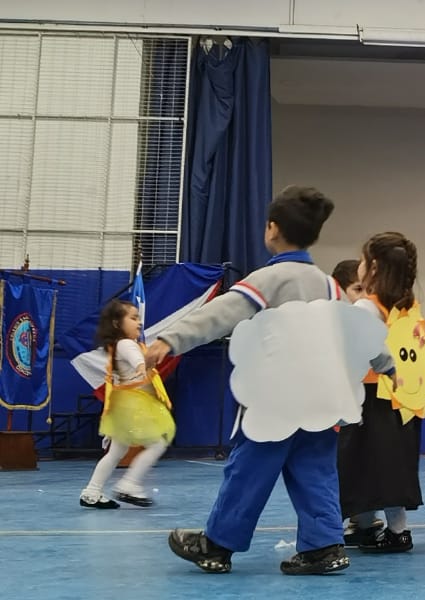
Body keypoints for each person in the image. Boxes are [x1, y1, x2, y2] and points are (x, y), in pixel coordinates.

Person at [155, 186, 373, 575]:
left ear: (272, 229)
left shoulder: (269, 280)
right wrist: (386, 362)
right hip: (323, 399)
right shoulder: (329, 285)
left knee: (248, 470)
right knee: (316, 469)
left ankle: (217, 544)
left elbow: (219, 314)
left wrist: (167, 340)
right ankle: (324, 547)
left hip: (275, 400)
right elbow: (358, 331)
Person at [338, 232, 425, 553]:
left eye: (363, 260)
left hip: (371, 395)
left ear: (373, 267)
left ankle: (392, 531)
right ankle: (381, 527)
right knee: (391, 463)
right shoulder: (409, 308)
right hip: (404, 399)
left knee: (363, 463)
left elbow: (351, 349)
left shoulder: (366, 306)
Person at [77, 300, 172, 510]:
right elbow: (139, 361)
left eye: (139, 318)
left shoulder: (118, 345)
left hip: (122, 405)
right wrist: (142, 366)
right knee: (158, 444)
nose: (139, 322)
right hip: (133, 405)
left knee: (116, 452)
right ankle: (129, 484)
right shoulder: (128, 345)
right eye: (133, 318)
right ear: (117, 323)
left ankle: (92, 491)